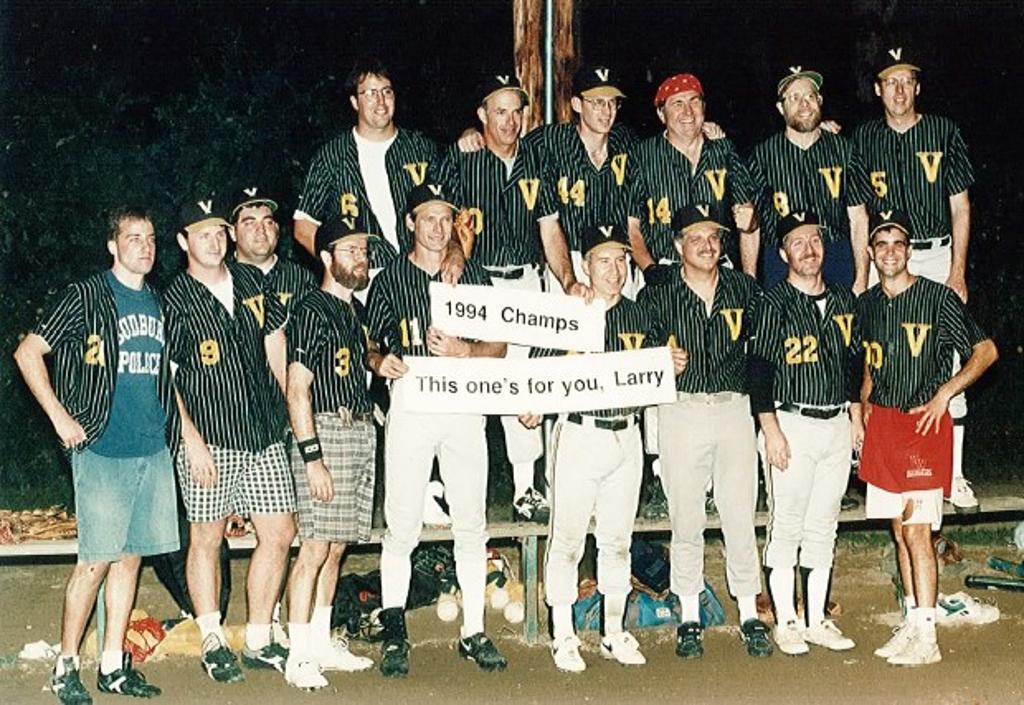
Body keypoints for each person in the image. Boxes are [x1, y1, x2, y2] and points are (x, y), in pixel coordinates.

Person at [14, 207, 178, 703]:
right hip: (103, 448)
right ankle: (66, 666)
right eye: (133, 237)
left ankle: (112, 665)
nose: (145, 247)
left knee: (130, 560)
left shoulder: (157, 302)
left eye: (151, 238)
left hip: (151, 448)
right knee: (94, 563)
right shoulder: (86, 295)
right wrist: (60, 417)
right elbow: (27, 352)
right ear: (113, 245)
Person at [520, 223, 688, 672]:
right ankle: (563, 633)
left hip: (626, 434)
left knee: (617, 540)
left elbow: (661, 366)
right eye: (604, 261)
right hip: (580, 433)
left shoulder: (640, 315)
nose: (614, 270)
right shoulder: (567, 315)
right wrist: (532, 402)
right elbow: (535, 372)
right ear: (585, 265)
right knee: (567, 539)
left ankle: (614, 629)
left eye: (621, 260)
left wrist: (671, 364)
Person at [365, 183, 508, 677]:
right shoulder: (390, 279)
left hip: (464, 401)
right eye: (428, 217)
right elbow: (370, 343)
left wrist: (468, 351)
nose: (437, 227)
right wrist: (378, 361)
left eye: (446, 218)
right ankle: (394, 629)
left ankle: (473, 631)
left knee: (471, 522)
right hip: (413, 399)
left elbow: (499, 345)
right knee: (402, 524)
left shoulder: (473, 276)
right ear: (411, 223)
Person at [439, 72, 581, 523]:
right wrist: (455, 252)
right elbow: (446, 221)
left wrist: (568, 280)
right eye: (500, 111)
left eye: (516, 111)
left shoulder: (536, 160)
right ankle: (459, 493)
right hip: (478, 284)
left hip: (525, 282)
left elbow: (550, 229)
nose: (509, 121)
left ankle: (525, 489)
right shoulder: (463, 158)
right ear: (483, 115)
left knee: (525, 383)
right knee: (472, 385)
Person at [163, 197, 295, 683]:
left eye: (220, 232)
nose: (214, 241)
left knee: (280, 532)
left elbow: (275, 346)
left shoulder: (253, 282)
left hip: (263, 433)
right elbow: (166, 379)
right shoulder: (173, 299)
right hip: (211, 437)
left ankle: (259, 636)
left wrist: (287, 414)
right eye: (203, 234)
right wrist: (190, 439)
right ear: (184, 242)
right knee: (206, 538)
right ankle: (212, 637)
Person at [857, 209, 997, 665]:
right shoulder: (868, 304)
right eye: (882, 244)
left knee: (918, 531)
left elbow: (985, 351)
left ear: (909, 251)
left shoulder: (937, 298)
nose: (890, 252)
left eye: (898, 244)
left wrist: (944, 394)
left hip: (922, 425)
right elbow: (869, 361)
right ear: (871, 252)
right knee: (899, 532)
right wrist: (863, 406)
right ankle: (912, 622)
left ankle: (929, 638)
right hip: (884, 425)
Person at [638, 204, 772, 659]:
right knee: (686, 518)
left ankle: (749, 612)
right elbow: (635, 354)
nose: (707, 245)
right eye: (695, 238)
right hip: (683, 407)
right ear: (678, 246)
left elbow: (763, 351)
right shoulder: (659, 294)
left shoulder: (743, 288)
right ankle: (690, 614)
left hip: (733, 407)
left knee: (740, 514)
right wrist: (659, 360)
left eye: (713, 237)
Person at [852, 47, 978, 513]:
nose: (900, 90)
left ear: (917, 86)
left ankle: (953, 474)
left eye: (907, 80)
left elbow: (960, 206)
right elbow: (859, 213)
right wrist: (862, 275)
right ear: (878, 89)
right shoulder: (865, 138)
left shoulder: (943, 131)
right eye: (891, 81)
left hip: (934, 251)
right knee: (883, 358)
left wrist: (957, 269)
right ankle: (886, 465)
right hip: (884, 254)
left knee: (948, 358)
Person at [747, 212, 862, 656]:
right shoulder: (773, 302)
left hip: (835, 422)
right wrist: (770, 429)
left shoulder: (843, 299)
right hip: (791, 420)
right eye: (797, 243)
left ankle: (816, 620)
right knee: (787, 525)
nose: (809, 249)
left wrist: (855, 415)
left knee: (823, 526)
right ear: (783, 253)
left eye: (814, 240)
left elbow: (853, 363)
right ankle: (786, 621)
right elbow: (759, 370)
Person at [282, 217, 377, 689]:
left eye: (363, 251)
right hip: (327, 431)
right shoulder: (311, 309)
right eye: (350, 250)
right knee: (315, 546)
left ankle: (320, 641)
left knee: (338, 546)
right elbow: (297, 387)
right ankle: (297, 654)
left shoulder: (354, 311)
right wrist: (312, 456)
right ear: (325, 257)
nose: (360, 258)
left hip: (358, 430)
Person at [293, 57, 448, 279]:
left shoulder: (422, 149)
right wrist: (340, 268)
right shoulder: (332, 156)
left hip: (422, 272)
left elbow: (451, 213)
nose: (381, 102)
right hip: (366, 278)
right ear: (355, 102)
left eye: (387, 92)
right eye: (370, 94)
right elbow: (303, 225)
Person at [745, 67, 872, 291]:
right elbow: (750, 225)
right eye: (794, 98)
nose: (804, 104)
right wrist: (750, 282)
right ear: (781, 107)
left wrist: (861, 279)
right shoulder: (762, 156)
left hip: (835, 255)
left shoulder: (844, 150)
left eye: (810, 96)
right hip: (782, 258)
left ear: (820, 101)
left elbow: (858, 218)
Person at [626, 73, 756, 282]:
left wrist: (749, 280)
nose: (687, 111)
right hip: (665, 270)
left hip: (719, 272)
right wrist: (650, 270)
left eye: (694, 101)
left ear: (703, 108)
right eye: (677, 103)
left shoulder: (723, 150)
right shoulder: (642, 156)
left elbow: (749, 220)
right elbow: (631, 225)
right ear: (661, 114)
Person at [231, 186, 316, 313]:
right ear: (233, 232)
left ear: (277, 229)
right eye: (250, 223)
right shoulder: (220, 279)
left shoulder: (301, 278)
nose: (261, 230)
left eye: (268, 222)